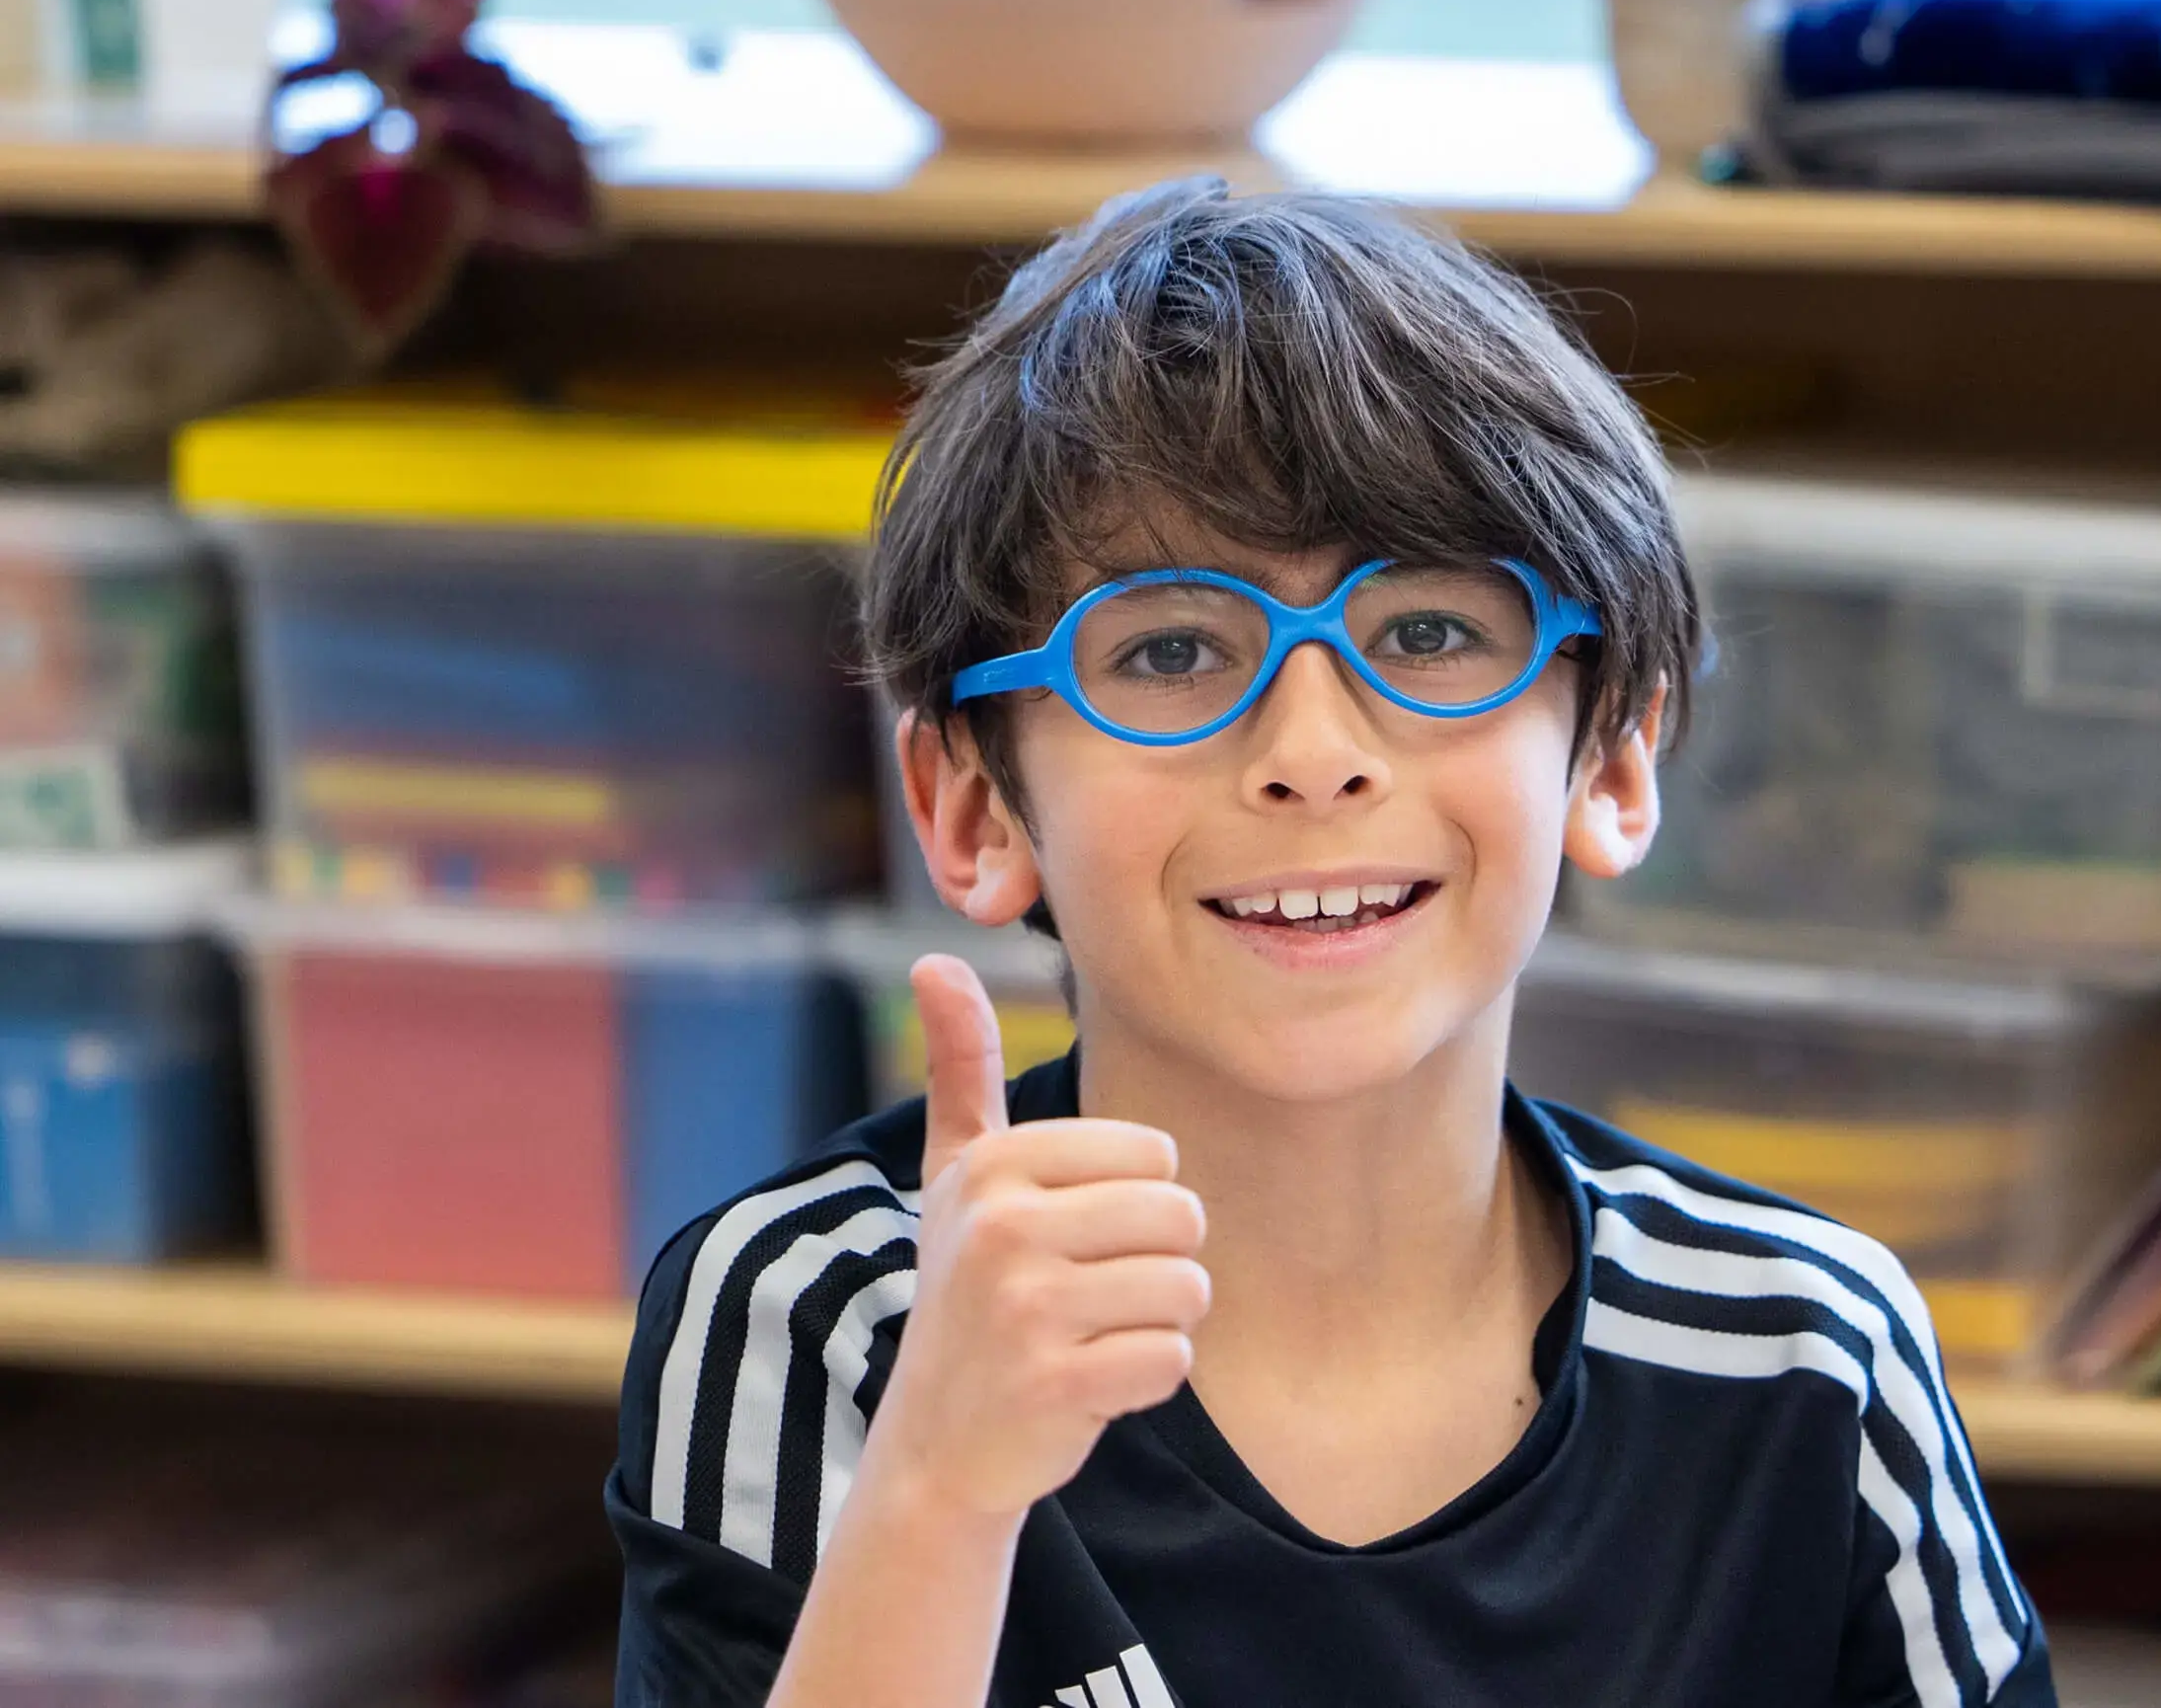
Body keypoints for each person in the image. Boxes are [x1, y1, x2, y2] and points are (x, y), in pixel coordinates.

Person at [606, 178, 2056, 1708]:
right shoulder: (820, 1319)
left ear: (1615, 759)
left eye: (1429, 633)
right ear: (972, 807)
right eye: (1171, 652)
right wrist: (940, 1495)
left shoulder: (1804, 1355)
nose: (1312, 750)